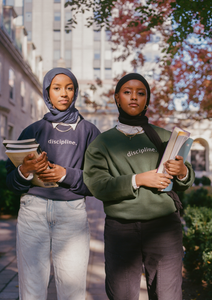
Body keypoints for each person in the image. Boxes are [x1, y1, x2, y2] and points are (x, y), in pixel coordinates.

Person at [83, 73, 195, 300]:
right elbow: (97, 185)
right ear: (117, 98)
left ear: (147, 100)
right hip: (121, 229)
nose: (134, 97)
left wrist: (182, 171)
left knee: (168, 295)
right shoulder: (102, 143)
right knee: (122, 295)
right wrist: (139, 179)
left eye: (140, 93)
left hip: (164, 228)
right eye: (127, 92)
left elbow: (185, 181)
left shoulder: (165, 137)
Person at [6, 67, 100, 300]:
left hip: (72, 214)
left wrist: (64, 175)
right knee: (32, 290)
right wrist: (25, 170)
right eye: (57, 88)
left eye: (69, 88)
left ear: (75, 92)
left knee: (72, 291)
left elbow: (99, 182)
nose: (64, 93)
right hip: (33, 211)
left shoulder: (89, 132)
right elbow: (11, 181)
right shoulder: (33, 130)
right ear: (47, 92)